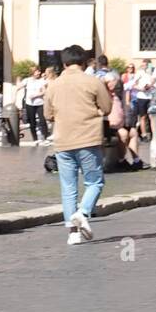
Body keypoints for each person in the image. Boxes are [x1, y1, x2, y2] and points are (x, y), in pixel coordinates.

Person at [43, 43, 111, 245]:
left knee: (68, 187)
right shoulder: (93, 82)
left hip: (63, 140)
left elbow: (47, 114)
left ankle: (73, 233)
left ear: (64, 63)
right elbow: (106, 107)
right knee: (94, 182)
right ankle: (83, 212)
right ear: (83, 62)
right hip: (88, 138)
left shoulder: (53, 85)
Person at [106, 75, 143, 170]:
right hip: (109, 125)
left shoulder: (118, 95)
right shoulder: (105, 95)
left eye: (114, 82)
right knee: (123, 134)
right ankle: (121, 160)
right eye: (110, 82)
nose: (113, 84)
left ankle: (136, 160)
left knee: (133, 132)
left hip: (119, 124)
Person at [22, 66, 49, 144]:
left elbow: (44, 91)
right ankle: (35, 139)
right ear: (33, 72)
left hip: (40, 103)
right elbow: (18, 87)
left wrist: (36, 95)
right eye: (37, 71)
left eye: (39, 71)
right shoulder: (27, 80)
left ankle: (45, 137)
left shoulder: (41, 81)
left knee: (42, 120)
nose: (39, 73)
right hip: (29, 104)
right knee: (32, 122)